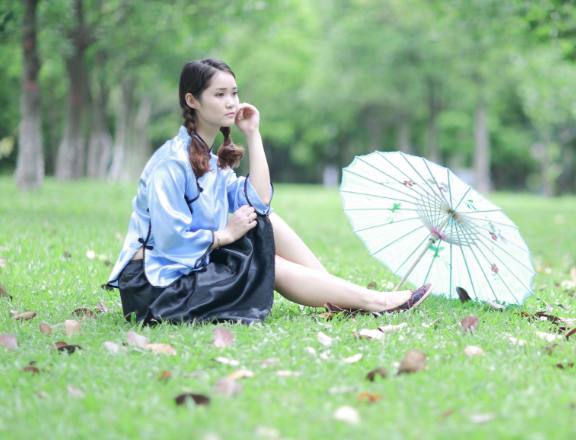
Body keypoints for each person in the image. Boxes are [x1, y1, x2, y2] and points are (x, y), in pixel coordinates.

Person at [105, 58, 432, 325]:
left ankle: (337, 294)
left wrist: (253, 134)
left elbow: (258, 201)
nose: (231, 102)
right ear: (192, 101)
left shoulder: (210, 160)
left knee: (265, 220)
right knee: (265, 262)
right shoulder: (172, 163)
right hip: (157, 287)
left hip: (186, 269)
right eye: (219, 94)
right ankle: (373, 301)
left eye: (234, 93)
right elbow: (170, 241)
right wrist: (225, 235)